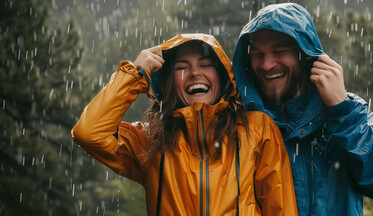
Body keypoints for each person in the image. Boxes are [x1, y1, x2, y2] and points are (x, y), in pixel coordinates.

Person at [72, 34, 298, 216]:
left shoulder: (257, 129)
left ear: (223, 78)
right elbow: (88, 132)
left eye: (206, 64)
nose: (195, 73)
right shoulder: (149, 141)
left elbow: (281, 209)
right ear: (170, 82)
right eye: (182, 67)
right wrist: (134, 76)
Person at [232, 3, 373, 215]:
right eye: (257, 54)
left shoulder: (348, 110)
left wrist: (342, 110)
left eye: (279, 51)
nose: (267, 64)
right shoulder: (238, 122)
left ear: (305, 55)